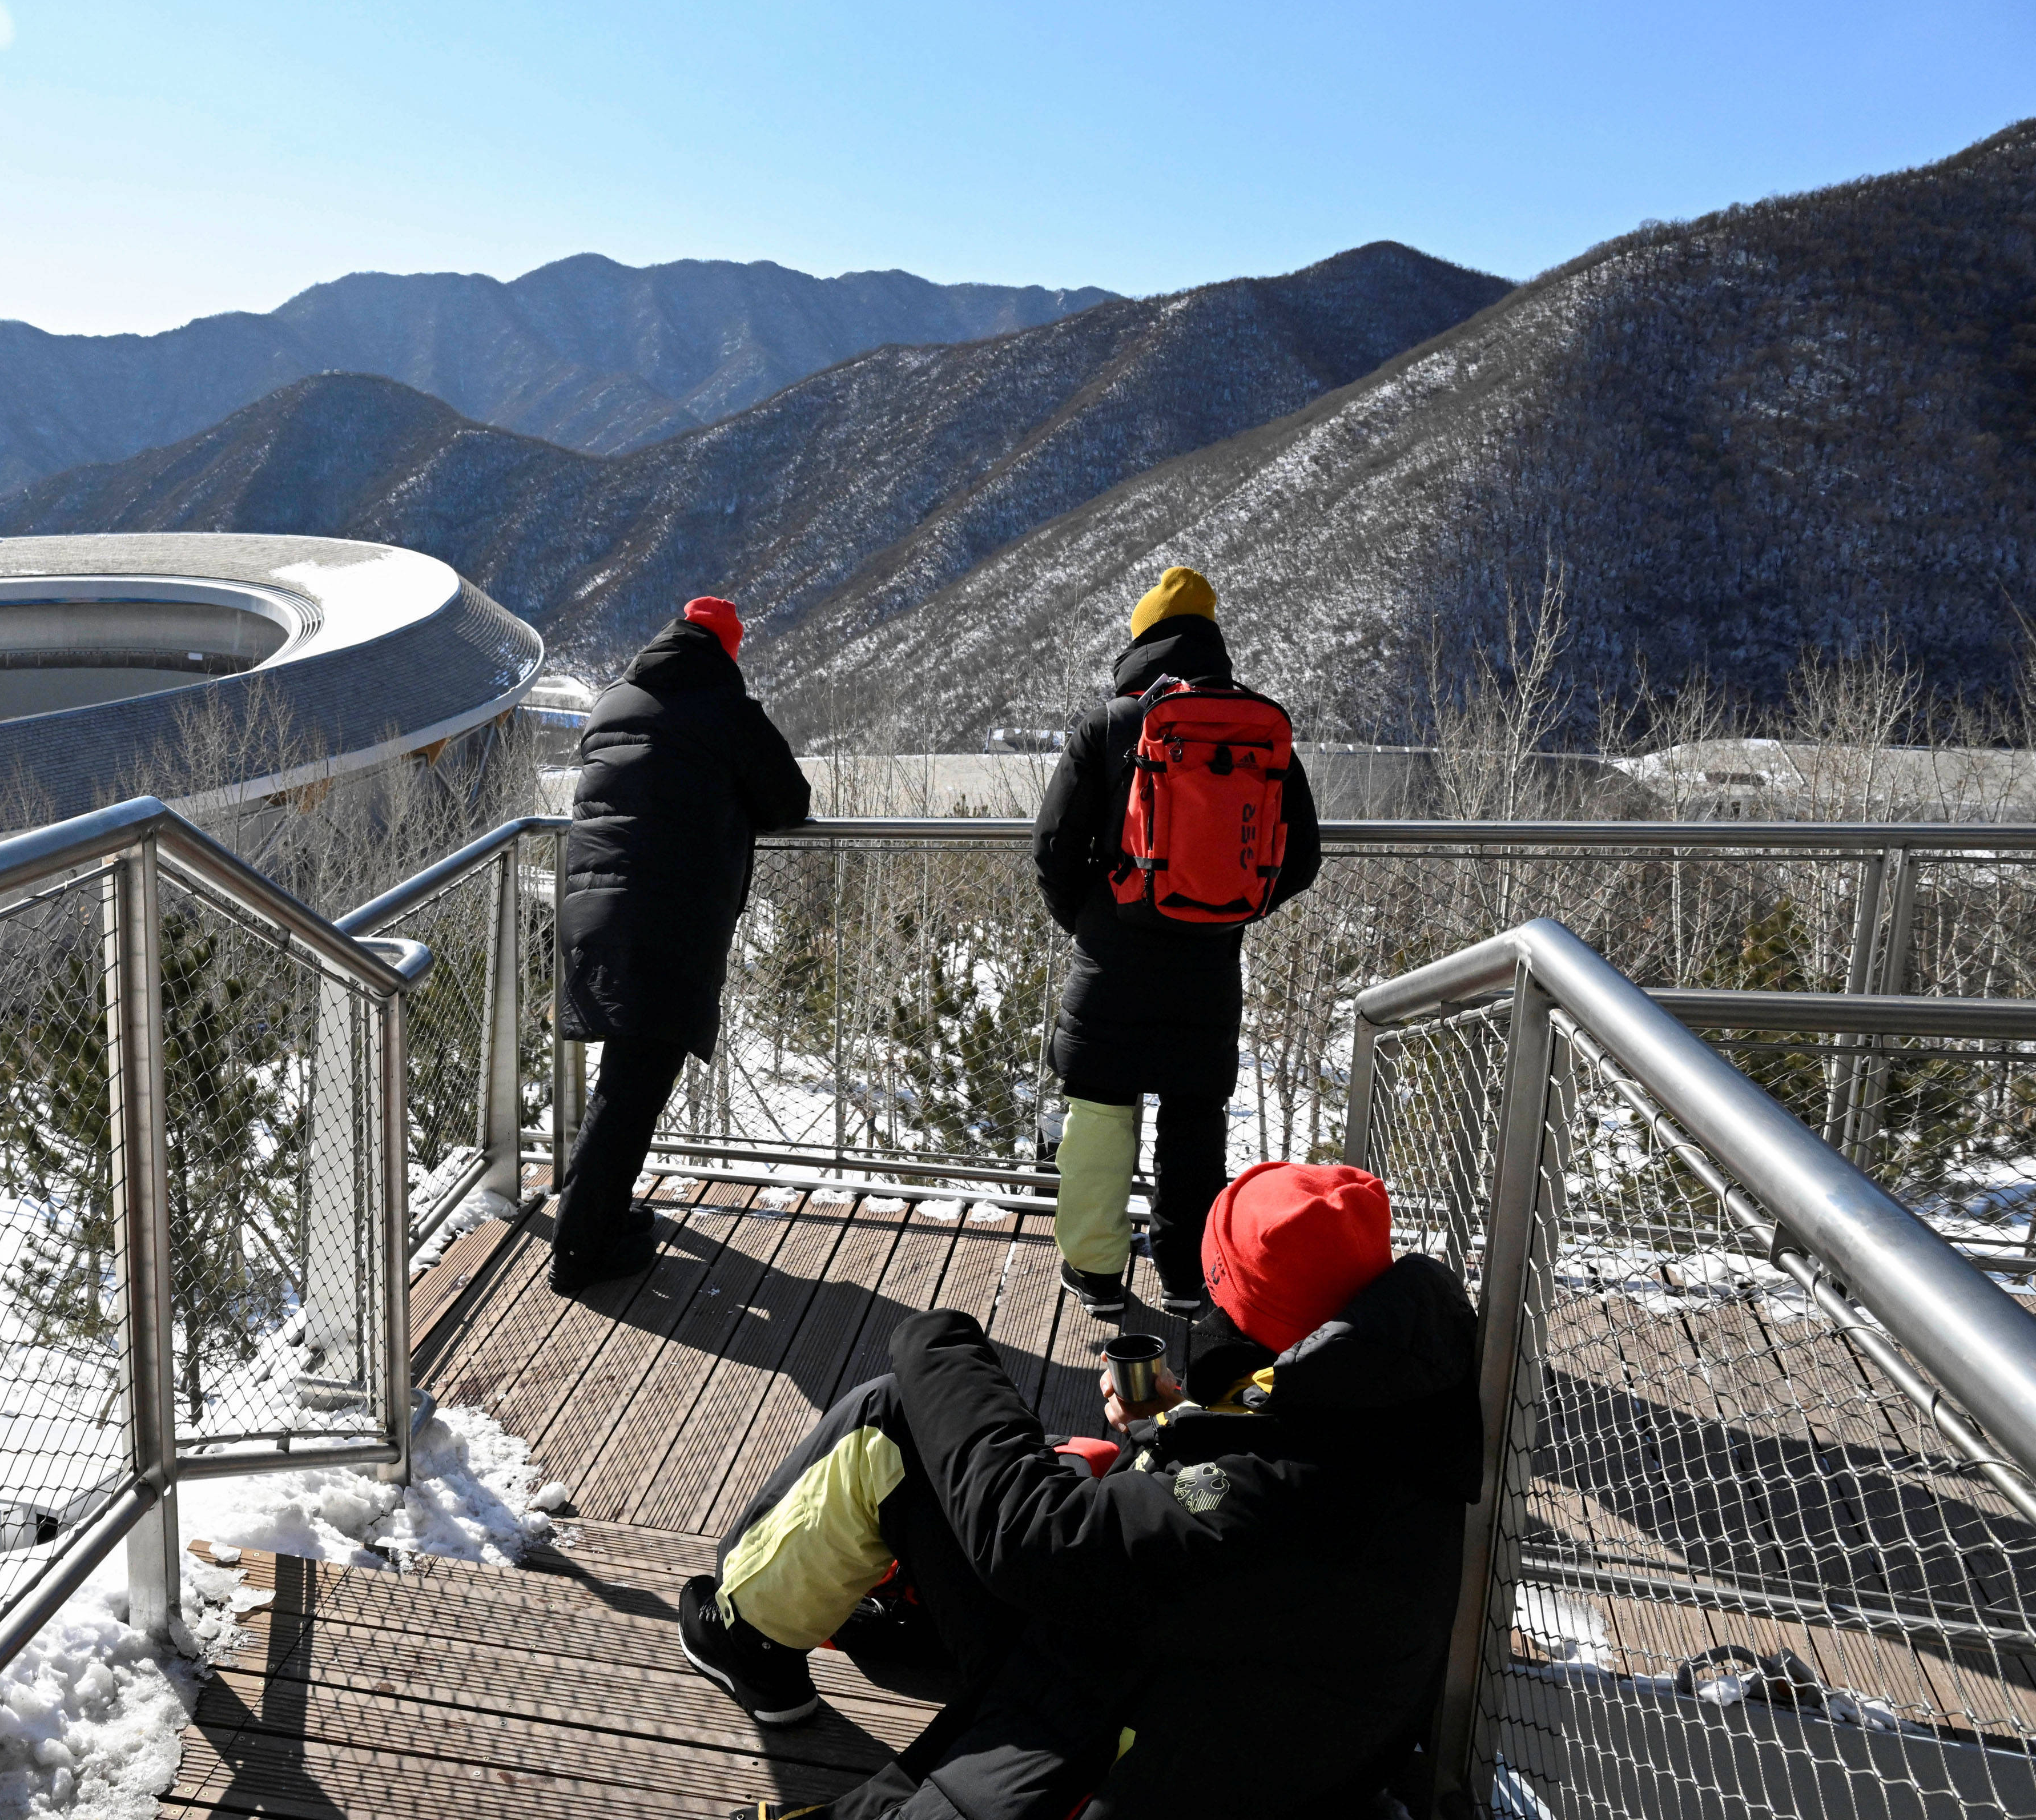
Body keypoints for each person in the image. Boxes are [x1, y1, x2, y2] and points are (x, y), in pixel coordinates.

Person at [680, 1162, 1480, 1819]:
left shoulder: (1280, 1489)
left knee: (919, 1410)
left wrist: (941, 1342)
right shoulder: (1394, 1397)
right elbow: (1228, 1525)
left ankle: (755, 1633)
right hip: (1179, 1670)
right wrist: (1172, 1427)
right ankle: (746, 1637)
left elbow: (1040, 1543)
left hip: (1123, 1750)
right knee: (903, 1418)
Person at [1032, 565, 1321, 1319]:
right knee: (1196, 1119)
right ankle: (1190, 1277)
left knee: (1098, 1108)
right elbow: (1301, 859)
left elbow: (1054, 848)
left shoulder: (1108, 726)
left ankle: (1095, 1274)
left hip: (1110, 958)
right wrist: (1228, 910)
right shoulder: (1259, 727)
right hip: (1208, 962)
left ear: (1140, 639)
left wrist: (1094, 918)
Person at [550, 597, 812, 1293]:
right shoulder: (724, 709)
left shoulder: (614, 702)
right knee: (634, 1088)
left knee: (624, 1080)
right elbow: (789, 801)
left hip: (594, 909)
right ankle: (579, 1251)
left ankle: (597, 1220)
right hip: (666, 917)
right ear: (726, 650)